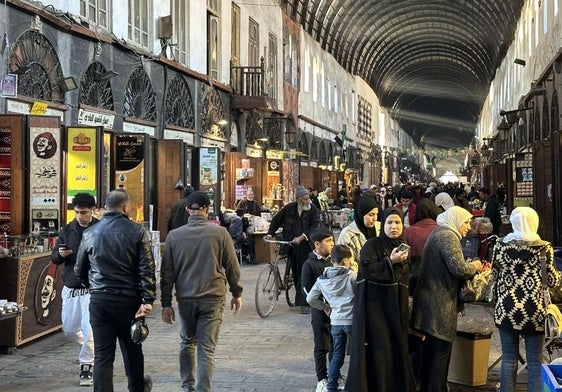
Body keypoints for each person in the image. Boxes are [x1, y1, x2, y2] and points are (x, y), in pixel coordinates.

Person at [161, 191, 243, 392]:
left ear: (188, 210)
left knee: (187, 343)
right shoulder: (220, 234)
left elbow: (167, 274)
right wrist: (236, 292)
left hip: (185, 299)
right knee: (207, 349)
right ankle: (202, 389)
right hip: (213, 297)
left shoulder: (174, 236)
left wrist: (165, 304)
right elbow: (232, 266)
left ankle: (187, 387)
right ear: (208, 210)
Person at [75, 189, 156, 392]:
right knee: (132, 350)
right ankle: (137, 388)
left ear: (104, 209)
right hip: (129, 301)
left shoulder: (90, 233)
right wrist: (148, 299)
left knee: (103, 355)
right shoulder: (136, 231)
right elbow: (147, 268)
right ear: (126, 207)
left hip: (100, 301)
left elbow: (79, 270)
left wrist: (93, 286)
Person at [410, 206, 482, 392]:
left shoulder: (441, 233)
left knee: (433, 356)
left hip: (431, 303)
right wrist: (474, 266)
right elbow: (458, 268)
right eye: (465, 222)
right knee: (438, 356)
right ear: (456, 220)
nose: (468, 226)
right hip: (437, 305)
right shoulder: (448, 236)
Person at [345, 207, 415, 392]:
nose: (394, 227)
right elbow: (367, 270)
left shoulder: (403, 245)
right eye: (390, 223)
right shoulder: (372, 245)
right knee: (380, 352)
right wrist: (389, 262)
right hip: (376, 311)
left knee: (395, 349)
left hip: (397, 309)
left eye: (398, 222)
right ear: (383, 224)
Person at [492, 207, 561, 392]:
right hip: (535, 312)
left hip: (506, 310)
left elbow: (494, 275)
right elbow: (552, 280)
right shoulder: (544, 248)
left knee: (508, 359)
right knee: (535, 361)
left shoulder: (500, 246)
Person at [51, 192, 99, 386]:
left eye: (84, 212)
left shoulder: (100, 229)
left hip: (93, 286)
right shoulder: (67, 229)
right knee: (69, 329)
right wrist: (60, 255)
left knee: (90, 330)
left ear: (93, 211)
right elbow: (54, 258)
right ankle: (94, 349)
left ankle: (86, 365)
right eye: (77, 212)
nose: (80, 216)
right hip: (71, 285)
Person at [307, 244, 356, 392]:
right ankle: (357, 383)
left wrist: (325, 307)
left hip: (335, 322)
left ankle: (331, 386)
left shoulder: (322, 279)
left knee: (336, 354)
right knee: (359, 353)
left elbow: (310, 298)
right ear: (346, 260)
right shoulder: (351, 275)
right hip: (352, 321)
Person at [266, 185, 320, 312]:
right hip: (290, 244)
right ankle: (300, 297)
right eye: (305, 199)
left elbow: (314, 226)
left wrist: (302, 237)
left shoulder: (312, 210)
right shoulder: (290, 208)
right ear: (299, 200)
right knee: (296, 272)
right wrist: (270, 233)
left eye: (308, 199)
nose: (308, 201)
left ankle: (304, 303)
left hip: (306, 246)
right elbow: (276, 220)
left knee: (303, 272)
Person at [300, 228, 335, 392]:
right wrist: (323, 306)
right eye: (328, 241)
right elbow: (307, 290)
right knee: (322, 346)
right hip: (320, 312)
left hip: (336, 312)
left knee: (336, 345)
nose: (332, 244)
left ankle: (334, 376)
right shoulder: (309, 264)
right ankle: (322, 378)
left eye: (332, 240)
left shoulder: (335, 260)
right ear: (317, 244)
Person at [337, 195, 379, 272]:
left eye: (376, 214)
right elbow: (346, 264)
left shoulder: (379, 228)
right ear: (361, 214)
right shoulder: (347, 234)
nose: (375, 218)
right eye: (371, 215)